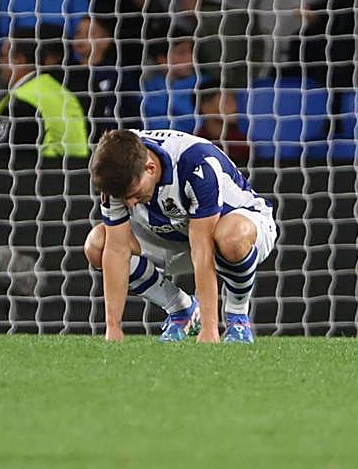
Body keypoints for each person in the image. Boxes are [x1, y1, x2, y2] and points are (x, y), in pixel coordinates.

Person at [84, 128, 277, 344]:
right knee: (97, 245)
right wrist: (113, 328)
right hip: (173, 234)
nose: (129, 203)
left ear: (151, 167)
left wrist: (209, 328)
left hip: (238, 228)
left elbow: (203, 252)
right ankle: (182, 310)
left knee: (230, 237)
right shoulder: (118, 164)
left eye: (134, 194)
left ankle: (237, 317)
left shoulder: (197, 164)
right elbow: (116, 250)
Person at [0, 29, 90, 159]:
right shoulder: (60, 91)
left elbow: (4, 157)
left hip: (42, 175)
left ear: (19, 61)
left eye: (3, 56)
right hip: (77, 172)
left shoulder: (21, 101)